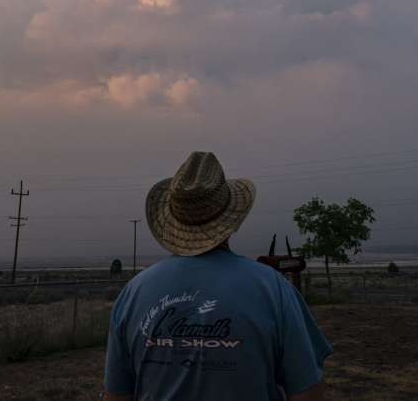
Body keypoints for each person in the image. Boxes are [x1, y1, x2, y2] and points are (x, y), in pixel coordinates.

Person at [102, 151, 332, 400]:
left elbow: (116, 395)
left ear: (173, 220)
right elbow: (307, 392)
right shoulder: (273, 289)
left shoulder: (134, 292)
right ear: (231, 219)